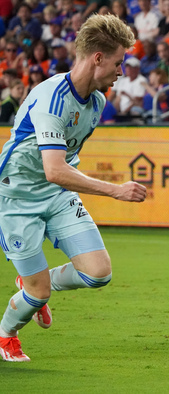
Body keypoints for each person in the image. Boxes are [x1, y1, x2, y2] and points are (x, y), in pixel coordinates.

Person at [0, 14, 147, 362]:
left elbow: (63, 167)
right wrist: (115, 191)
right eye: (117, 62)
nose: (121, 71)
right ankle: (6, 333)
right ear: (97, 58)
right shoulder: (52, 99)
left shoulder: (97, 102)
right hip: (16, 198)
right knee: (38, 295)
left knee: (99, 274)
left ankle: (34, 283)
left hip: (57, 196)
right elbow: (54, 169)